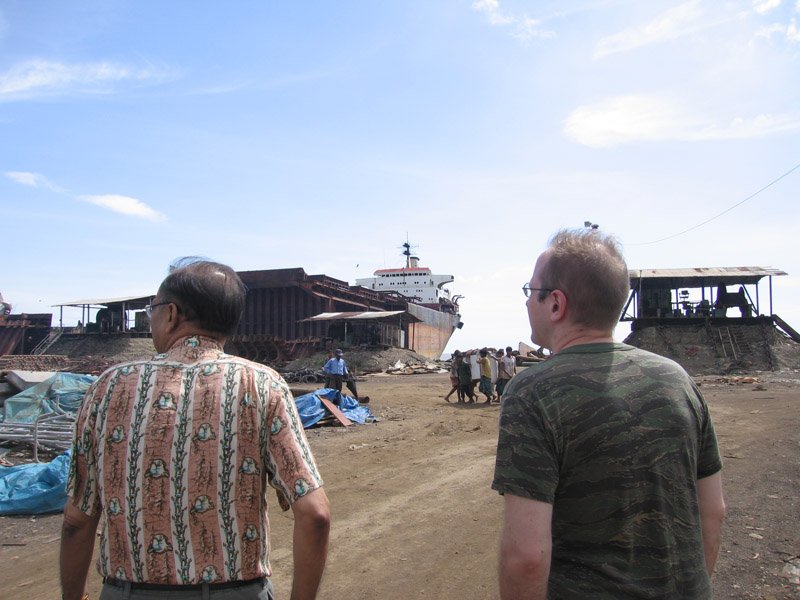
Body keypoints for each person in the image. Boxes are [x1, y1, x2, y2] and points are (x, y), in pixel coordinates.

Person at [60, 259, 331, 600]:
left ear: (171, 314)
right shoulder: (263, 385)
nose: (151, 317)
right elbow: (315, 514)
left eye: (152, 309)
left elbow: (77, 520)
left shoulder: (108, 387)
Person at [493, 229, 725, 599]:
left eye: (530, 292)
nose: (526, 304)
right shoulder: (677, 378)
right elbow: (712, 511)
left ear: (556, 304)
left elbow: (526, 557)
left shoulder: (533, 392)